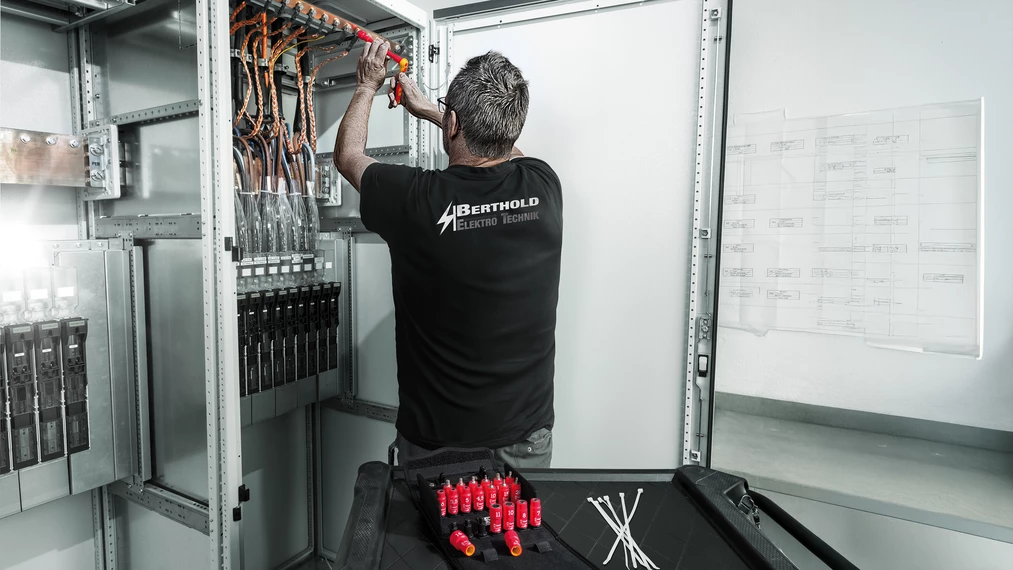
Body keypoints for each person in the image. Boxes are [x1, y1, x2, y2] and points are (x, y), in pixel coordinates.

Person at [334, 39, 562, 468]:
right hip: (526, 442)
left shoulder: (417, 199)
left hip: (438, 448)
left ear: (453, 123)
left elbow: (348, 157)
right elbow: (506, 149)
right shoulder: (543, 185)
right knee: (522, 518)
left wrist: (367, 86)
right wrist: (436, 113)